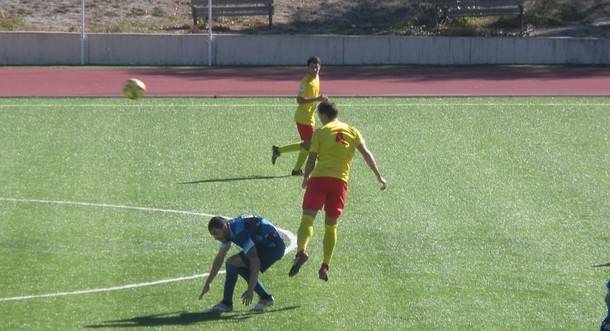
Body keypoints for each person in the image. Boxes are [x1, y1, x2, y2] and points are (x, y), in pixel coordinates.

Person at [288, 101, 387, 281]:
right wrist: (378, 175)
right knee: (331, 225)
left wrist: (305, 177)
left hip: (319, 180)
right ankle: (325, 265)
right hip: (340, 182)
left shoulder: (321, 132)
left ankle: (301, 252)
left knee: (308, 218)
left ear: (324, 115)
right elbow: (366, 154)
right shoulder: (352, 131)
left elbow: (311, 158)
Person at [198, 215, 285, 313]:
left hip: (272, 247)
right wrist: (208, 282)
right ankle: (265, 298)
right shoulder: (228, 230)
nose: (215, 238)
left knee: (232, 264)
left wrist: (250, 290)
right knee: (235, 265)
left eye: (216, 233)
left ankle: (226, 304)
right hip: (267, 244)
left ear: (224, 227)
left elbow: (255, 261)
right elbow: (219, 258)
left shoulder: (239, 233)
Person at [272, 56, 328, 176]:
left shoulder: (317, 77)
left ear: (320, 67)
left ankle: (284, 156)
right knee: (310, 145)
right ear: (307, 68)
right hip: (303, 118)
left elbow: (314, 95)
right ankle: (301, 168)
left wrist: (321, 100)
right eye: (312, 67)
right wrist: (317, 98)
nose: (314, 69)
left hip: (310, 117)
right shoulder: (305, 82)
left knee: (307, 145)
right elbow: (299, 100)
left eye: (316, 67)